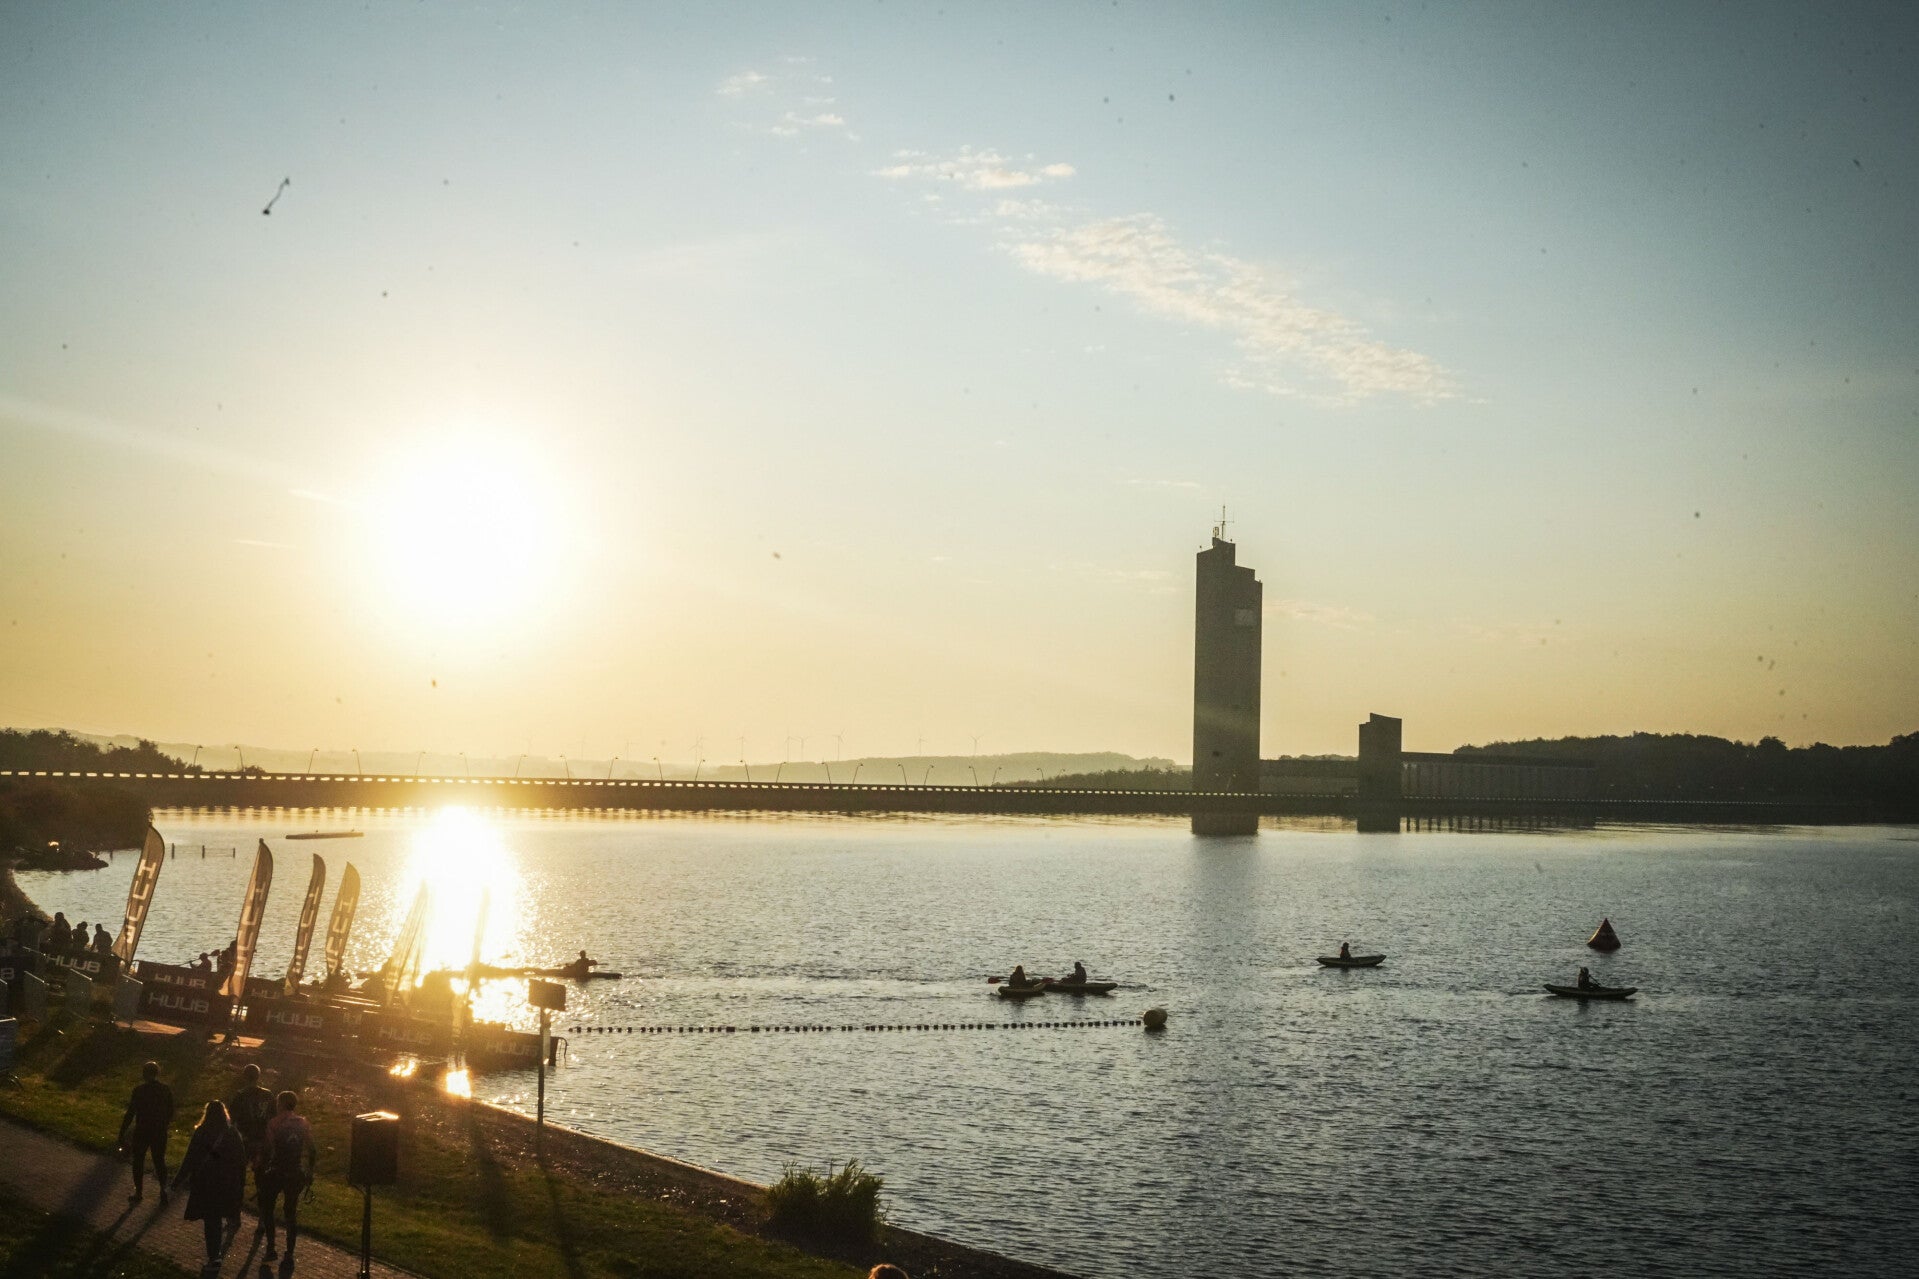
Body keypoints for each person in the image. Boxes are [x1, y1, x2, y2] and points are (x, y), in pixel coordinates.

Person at [173, 1100, 246, 1275]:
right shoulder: (232, 1133)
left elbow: (190, 1158)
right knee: (218, 1217)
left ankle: (214, 1257)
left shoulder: (201, 1132)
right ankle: (215, 1256)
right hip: (226, 1183)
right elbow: (241, 1161)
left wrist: (177, 1181)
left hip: (205, 1182)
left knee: (211, 1221)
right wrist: (240, 1183)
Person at [259, 1091, 316, 1265]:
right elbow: (312, 1150)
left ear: (281, 1103)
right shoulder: (303, 1123)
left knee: (267, 1208)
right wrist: (309, 1172)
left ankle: (271, 1248)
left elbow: (268, 1149)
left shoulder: (274, 1124)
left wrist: (262, 1167)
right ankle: (290, 1252)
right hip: (295, 1172)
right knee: (290, 1212)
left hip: (277, 1171)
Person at [118, 1061, 175, 1204]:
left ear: (144, 1073)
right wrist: (164, 1123)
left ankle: (139, 1192)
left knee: (138, 1161)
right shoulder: (165, 1089)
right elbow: (171, 1111)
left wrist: (122, 1132)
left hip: (142, 1129)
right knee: (159, 1161)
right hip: (159, 1131)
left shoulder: (139, 1090)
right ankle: (163, 1190)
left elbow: (131, 1113)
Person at [227, 1063, 275, 1227]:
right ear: (258, 1076)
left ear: (244, 1076)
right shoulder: (268, 1096)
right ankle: (262, 1219)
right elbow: (272, 1119)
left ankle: (235, 1216)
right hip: (262, 1143)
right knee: (261, 1180)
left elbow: (231, 1121)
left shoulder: (240, 1096)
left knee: (238, 1178)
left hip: (245, 1142)